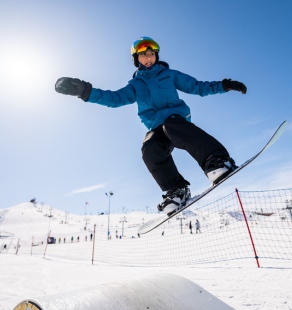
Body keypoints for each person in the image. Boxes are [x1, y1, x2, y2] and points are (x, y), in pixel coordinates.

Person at [55, 36, 246, 214]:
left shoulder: (169, 75)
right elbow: (114, 98)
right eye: (143, 55)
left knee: (172, 125)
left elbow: (198, 86)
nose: (148, 58)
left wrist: (225, 85)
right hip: (156, 126)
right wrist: (84, 91)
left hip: (176, 119)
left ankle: (217, 160)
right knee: (150, 147)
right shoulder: (135, 85)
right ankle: (176, 191)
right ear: (136, 59)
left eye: (151, 54)